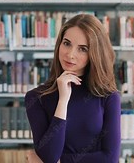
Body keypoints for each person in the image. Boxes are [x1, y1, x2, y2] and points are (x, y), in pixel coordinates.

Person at [25, 14, 121, 163]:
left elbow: (110, 158)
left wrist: (61, 161)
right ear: (59, 44)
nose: (70, 54)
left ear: (94, 54)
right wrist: (63, 100)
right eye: (67, 43)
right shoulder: (36, 97)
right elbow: (49, 156)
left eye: (82, 49)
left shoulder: (108, 96)